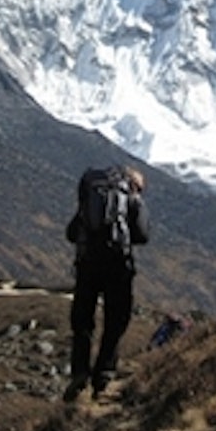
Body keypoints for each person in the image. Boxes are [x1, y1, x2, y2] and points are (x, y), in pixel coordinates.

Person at [64, 165, 150, 400]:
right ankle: (104, 374)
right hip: (118, 267)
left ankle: (80, 372)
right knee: (115, 321)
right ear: (135, 186)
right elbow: (143, 235)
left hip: (87, 265)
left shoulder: (91, 200)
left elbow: (71, 233)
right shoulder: (132, 200)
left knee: (82, 322)